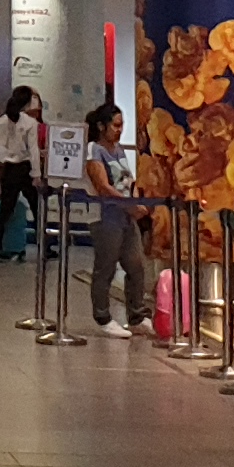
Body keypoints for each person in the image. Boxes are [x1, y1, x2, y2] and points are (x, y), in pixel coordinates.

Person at [80, 103, 151, 335]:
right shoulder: (94, 150)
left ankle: (137, 314)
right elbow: (103, 186)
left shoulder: (119, 150)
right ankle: (103, 316)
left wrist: (136, 200)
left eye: (122, 125)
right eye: (116, 125)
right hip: (105, 217)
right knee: (106, 266)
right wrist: (129, 206)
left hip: (125, 217)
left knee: (136, 265)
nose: (120, 130)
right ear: (102, 126)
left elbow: (128, 180)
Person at [0, 86, 44, 263]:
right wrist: (36, 174)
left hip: (9, 169)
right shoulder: (30, 123)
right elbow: (33, 150)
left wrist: (4, 152)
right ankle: (44, 247)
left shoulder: (1, 121)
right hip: (25, 167)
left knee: (5, 209)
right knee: (36, 208)